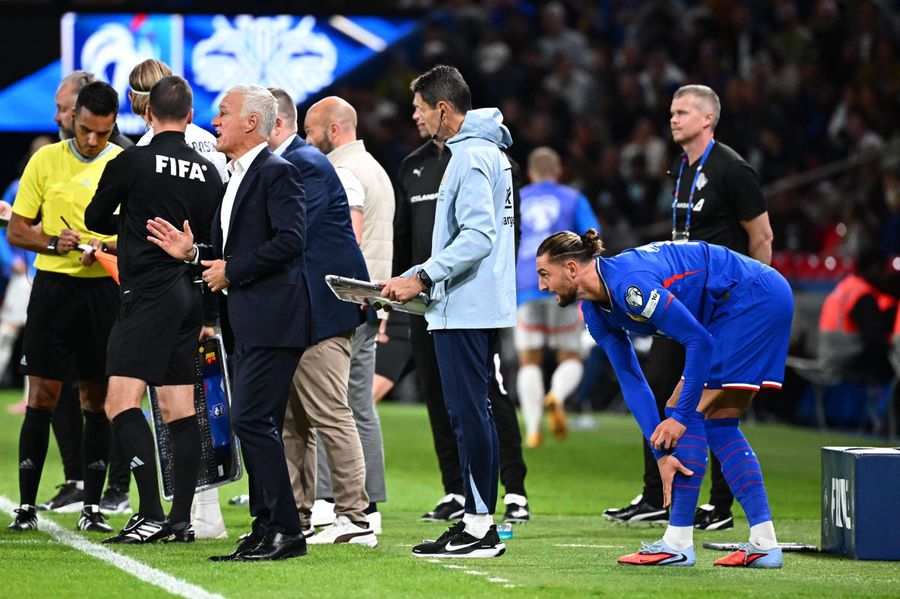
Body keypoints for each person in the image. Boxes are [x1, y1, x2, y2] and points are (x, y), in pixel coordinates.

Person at [536, 230, 788, 568]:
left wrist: (680, 418)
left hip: (751, 298)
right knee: (719, 422)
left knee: (681, 409)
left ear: (570, 268)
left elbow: (699, 341)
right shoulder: (596, 312)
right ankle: (764, 542)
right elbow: (631, 379)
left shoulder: (630, 287)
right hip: (755, 298)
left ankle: (678, 542)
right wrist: (659, 452)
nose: (541, 286)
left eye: (544, 274)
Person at [147, 84, 311, 562]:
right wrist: (194, 254)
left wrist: (232, 270)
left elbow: (292, 240)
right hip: (247, 320)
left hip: (274, 320)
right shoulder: (234, 176)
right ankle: (266, 528)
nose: (215, 121)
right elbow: (227, 256)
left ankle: (285, 530)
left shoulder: (279, 173)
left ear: (252, 123)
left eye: (223, 113)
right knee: (256, 423)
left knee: (250, 420)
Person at [604, 84, 774, 531]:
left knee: (717, 402)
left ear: (708, 119)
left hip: (722, 304)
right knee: (659, 388)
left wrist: (749, 303)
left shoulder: (733, 170)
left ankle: (719, 506)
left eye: (682, 112)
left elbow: (762, 238)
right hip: (681, 303)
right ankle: (655, 495)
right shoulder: (682, 168)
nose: (673, 119)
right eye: (672, 111)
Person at [382, 65, 516, 558]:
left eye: (419, 107)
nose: (414, 116)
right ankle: (475, 520)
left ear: (443, 109)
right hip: (469, 303)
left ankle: (480, 528)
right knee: (470, 414)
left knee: (469, 415)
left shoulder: (472, 157)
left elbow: (479, 236)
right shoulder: (486, 153)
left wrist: (422, 275)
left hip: (465, 306)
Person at [83, 75, 222, 544]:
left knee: (119, 402)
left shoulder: (133, 160)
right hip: (188, 295)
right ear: (189, 117)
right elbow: (213, 241)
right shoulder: (208, 171)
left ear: (146, 115)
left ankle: (147, 513)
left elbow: (94, 220)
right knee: (178, 409)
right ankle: (180, 520)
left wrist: (136, 214)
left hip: (146, 297)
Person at [6, 82, 122, 533]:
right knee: (43, 396)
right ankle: (27, 508)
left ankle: (92, 508)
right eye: (87, 129)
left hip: (101, 292)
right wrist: (55, 242)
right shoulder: (45, 160)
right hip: (53, 289)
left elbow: (134, 232)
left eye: (104, 132)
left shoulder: (122, 163)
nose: (94, 140)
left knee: (96, 399)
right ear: (74, 118)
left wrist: (104, 244)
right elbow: (17, 230)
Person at [267, 87, 376, 547]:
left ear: (272, 124)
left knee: (332, 413)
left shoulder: (305, 164)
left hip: (324, 310)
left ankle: (356, 516)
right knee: (294, 420)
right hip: (299, 312)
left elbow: (290, 237)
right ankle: (300, 514)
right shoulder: (292, 164)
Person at [126, 57, 228, 539]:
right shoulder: (210, 148)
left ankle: (166, 512)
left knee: (164, 406)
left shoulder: (143, 152)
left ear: (141, 106)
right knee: (202, 401)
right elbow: (221, 223)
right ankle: (202, 513)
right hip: (210, 283)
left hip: (156, 293)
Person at [303, 95, 392, 530]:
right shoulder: (375, 169)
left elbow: (350, 242)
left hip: (345, 300)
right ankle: (366, 503)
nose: (306, 138)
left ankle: (338, 500)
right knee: (356, 406)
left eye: (310, 130)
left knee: (331, 405)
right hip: (370, 300)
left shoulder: (343, 172)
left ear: (333, 130)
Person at [515, 147, 599, 448]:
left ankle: (533, 428)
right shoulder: (572, 198)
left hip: (526, 283)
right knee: (570, 355)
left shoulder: (517, 198)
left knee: (529, 361)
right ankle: (557, 395)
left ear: (530, 172)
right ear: (559, 170)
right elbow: (593, 237)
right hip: (563, 284)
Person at [818, 245, 896, 381]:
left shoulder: (848, 285)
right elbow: (873, 337)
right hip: (845, 357)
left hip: (828, 351)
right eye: (883, 269)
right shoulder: (864, 296)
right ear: (874, 269)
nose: (886, 275)